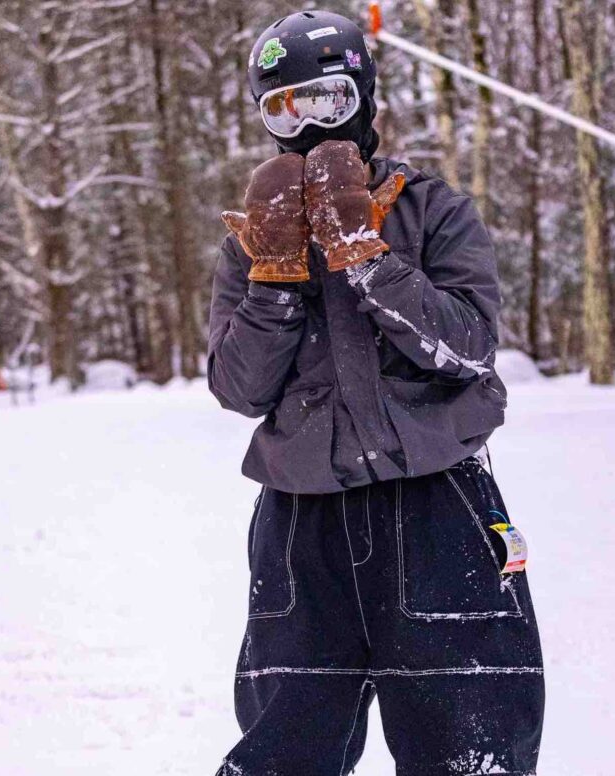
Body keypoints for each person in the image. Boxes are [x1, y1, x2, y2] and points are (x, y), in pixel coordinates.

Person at [208, 9, 545, 775]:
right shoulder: (250, 241)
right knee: (286, 744)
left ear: (362, 97)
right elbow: (239, 388)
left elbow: (468, 347)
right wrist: (274, 278)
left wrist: (367, 257)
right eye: (283, 108)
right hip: (302, 524)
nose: (307, 126)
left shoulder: (433, 211)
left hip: (436, 506)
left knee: (469, 741)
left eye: (325, 100)